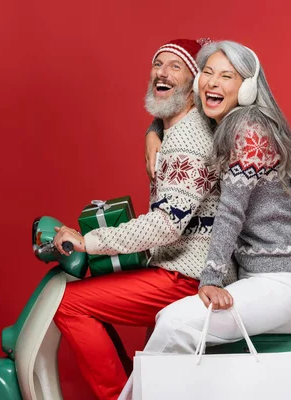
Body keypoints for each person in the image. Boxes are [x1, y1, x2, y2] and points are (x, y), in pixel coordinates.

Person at [120, 40, 291, 398]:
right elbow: (175, 110)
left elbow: (230, 212)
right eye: (207, 73)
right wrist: (154, 130)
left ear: (246, 87)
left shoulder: (248, 131)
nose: (212, 82)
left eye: (227, 76)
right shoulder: (226, 122)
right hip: (259, 272)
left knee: (174, 323)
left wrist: (209, 281)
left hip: (280, 278)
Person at [51, 38, 236, 400]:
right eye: (157, 64)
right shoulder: (174, 129)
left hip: (188, 275)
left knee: (69, 303)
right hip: (175, 266)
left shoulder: (188, 140)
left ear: (195, 83)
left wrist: (89, 242)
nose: (162, 73)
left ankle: (118, 396)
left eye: (175, 66)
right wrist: (152, 132)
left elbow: (167, 224)